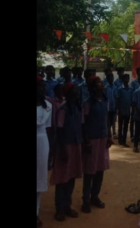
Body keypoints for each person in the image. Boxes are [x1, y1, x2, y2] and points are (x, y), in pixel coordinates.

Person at [50, 83, 84, 222]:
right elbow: (60, 129)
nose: (77, 93)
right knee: (62, 178)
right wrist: (63, 149)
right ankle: (59, 209)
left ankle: (67, 206)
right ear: (68, 94)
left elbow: (81, 126)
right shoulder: (63, 110)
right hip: (65, 146)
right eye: (74, 91)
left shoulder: (77, 108)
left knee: (71, 177)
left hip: (76, 144)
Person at [80, 77, 112, 213]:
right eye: (99, 84)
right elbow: (83, 123)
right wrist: (86, 141)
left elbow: (107, 119)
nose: (102, 85)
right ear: (93, 87)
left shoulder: (105, 101)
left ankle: (95, 196)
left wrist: (109, 135)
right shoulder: (88, 103)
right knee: (89, 171)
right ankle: (85, 199)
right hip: (92, 139)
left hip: (103, 138)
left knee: (100, 169)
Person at [37, 77, 54, 228]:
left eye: (44, 87)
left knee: (40, 178)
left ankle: (36, 212)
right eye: (40, 87)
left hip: (42, 143)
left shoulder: (48, 105)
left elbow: (47, 128)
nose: (43, 89)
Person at [115, 75, 133, 147]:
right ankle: (120, 140)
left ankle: (124, 141)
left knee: (125, 126)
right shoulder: (120, 89)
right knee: (120, 126)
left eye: (128, 78)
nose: (127, 80)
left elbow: (131, 101)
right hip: (121, 111)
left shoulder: (130, 90)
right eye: (125, 78)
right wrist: (118, 109)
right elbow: (117, 100)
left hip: (127, 111)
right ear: (122, 80)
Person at [130, 68, 140, 141]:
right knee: (133, 120)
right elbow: (132, 93)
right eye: (139, 72)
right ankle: (132, 135)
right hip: (136, 103)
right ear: (137, 72)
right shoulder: (134, 82)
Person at [103, 69, 117, 137]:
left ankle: (113, 132)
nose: (112, 79)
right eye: (110, 78)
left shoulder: (115, 87)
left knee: (113, 121)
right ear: (108, 79)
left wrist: (116, 106)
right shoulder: (105, 87)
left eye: (112, 78)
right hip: (107, 108)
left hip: (113, 107)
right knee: (107, 121)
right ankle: (108, 134)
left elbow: (116, 97)